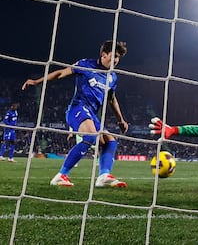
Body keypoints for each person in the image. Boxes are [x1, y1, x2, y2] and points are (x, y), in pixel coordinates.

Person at [22, 40, 128, 188]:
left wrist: (121, 120)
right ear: (104, 54)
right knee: (91, 137)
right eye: (114, 55)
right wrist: (37, 81)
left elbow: (112, 99)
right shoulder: (85, 64)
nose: (116, 60)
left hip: (91, 114)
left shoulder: (112, 77)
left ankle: (103, 176)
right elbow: (60, 73)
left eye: (118, 57)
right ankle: (61, 176)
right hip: (77, 109)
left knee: (110, 141)